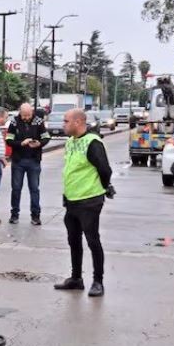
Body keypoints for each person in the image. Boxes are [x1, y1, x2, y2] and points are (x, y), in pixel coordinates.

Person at [55, 109, 115, 297]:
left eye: (66, 121)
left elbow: (105, 170)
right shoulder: (71, 142)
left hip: (89, 200)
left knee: (92, 240)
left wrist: (104, 187)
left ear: (78, 122)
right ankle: (76, 278)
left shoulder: (93, 143)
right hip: (71, 200)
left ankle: (98, 281)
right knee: (73, 240)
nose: (63, 124)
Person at [6, 103, 50, 225]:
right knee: (16, 189)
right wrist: (21, 143)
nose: (26, 118)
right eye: (24, 115)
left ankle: (35, 216)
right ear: (20, 112)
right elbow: (9, 140)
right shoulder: (14, 122)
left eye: (28, 115)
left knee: (34, 189)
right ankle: (14, 215)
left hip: (34, 161)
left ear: (32, 112)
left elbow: (46, 137)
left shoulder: (39, 121)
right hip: (18, 161)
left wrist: (39, 143)